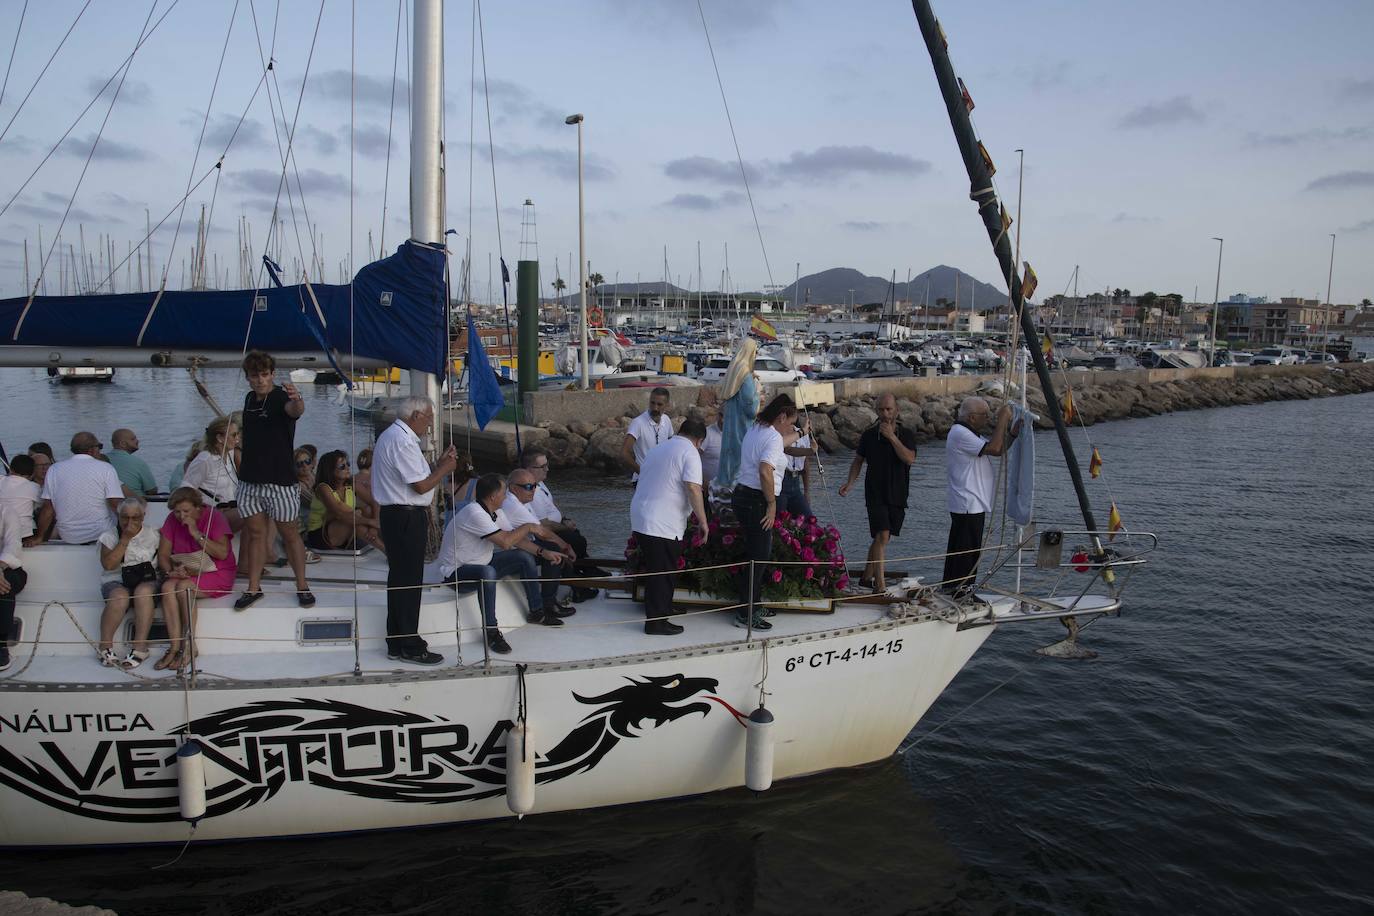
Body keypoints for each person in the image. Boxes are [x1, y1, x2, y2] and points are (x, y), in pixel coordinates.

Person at [372, 396, 458, 665]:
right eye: (430, 416)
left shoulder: (397, 437)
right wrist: (444, 468)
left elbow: (416, 479)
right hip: (405, 517)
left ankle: (397, 640)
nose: (431, 421)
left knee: (400, 579)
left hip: (398, 515)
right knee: (408, 580)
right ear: (416, 415)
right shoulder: (401, 441)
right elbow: (420, 487)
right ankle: (408, 643)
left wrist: (436, 465)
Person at [436, 474, 561, 656]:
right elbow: (504, 542)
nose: (507, 496)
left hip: (481, 563)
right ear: (493, 496)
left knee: (522, 557)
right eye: (504, 492)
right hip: (455, 572)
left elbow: (515, 541)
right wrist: (528, 527)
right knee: (487, 572)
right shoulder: (475, 513)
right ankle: (491, 632)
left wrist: (543, 553)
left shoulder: (496, 512)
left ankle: (537, 611)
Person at [234, 350, 313, 610]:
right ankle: (253, 588)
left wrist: (297, 398)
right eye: (255, 376)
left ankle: (302, 586)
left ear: (272, 375)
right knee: (256, 534)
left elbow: (294, 411)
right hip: (250, 481)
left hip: (279, 481)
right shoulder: (249, 399)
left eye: (264, 375)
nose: (260, 380)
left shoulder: (280, 398)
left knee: (289, 533)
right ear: (248, 378)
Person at [630, 417, 709, 635]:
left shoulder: (659, 448)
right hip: (662, 521)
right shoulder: (690, 452)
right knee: (662, 571)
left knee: (661, 568)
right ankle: (655, 622)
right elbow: (693, 488)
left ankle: (663, 608)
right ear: (699, 440)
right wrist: (703, 521)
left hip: (642, 515)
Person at [732, 395, 805, 631]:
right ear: (782, 417)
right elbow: (765, 470)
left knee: (755, 553)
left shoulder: (757, 428)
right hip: (757, 500)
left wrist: (801, 433)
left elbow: (780, 443)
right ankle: (745, 613)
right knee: (759, 557)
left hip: (742, 495)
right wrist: (772, 504)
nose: (790, 428)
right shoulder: (773, 437)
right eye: (790, 423)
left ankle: (753, 604)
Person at [839, 393, 917, 592]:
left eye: (889, 409)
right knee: (882, 535)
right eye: (881, 409)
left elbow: (909, 458)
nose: (885, 413)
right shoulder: (869, 435)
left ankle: (866, 578)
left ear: (896, 410)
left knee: (883, 538)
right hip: (875, 492)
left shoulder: (906, 434)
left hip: (898, 492)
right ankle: (880, 586)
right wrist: (849, 483)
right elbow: (858, 460)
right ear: (876, 411)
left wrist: (892, 437)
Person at [944, 397, 1018, 598]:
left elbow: (999, 448)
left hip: (972, 502)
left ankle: (953, 587)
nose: (988, 418)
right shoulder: (960, 434)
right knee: (967, 551)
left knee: (964, 548)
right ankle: (961, 591)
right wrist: (1003, 419)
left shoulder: (968, 433)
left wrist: (1012, 433)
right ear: (972, 417)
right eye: (985, 415)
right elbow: (993, 449)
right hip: (968, 501)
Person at [157, 488, 237, 671]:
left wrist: (196, 532)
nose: (181, 516)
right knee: (168, 587)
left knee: (184, 587)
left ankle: (190, 645)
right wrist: (171, 571)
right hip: (190, 570)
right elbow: (163, 554)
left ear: (198, 507)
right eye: (177, 512)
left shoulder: (214, 517)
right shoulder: (171, 520)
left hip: (218, 571)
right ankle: (175, 647)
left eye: (186, 511)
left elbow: (222, 553)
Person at [519, 448, 598, 601]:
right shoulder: (530, 491)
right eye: (542, 466)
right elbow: (542, 525)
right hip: (539, 535)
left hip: (550, 528)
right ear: (529, 469)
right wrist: (564, 529)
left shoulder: (540, 484)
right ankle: (576, 584)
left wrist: (564, 520)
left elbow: (552, 507)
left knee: (574, 537)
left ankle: (587, 571)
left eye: (547, 465)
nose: (547, 469)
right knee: (572, 542)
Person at [502, 468, 578, 617]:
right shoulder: (514, 505)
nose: (534, 490)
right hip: (509, 551)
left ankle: (573, 587)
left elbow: (540, 530)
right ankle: (549, 604)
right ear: (513, 488)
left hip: (520, 544)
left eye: (535, 485)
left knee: (559, 544)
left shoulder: (523, 500)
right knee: (554, 550)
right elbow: (542, 533)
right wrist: (565, 547)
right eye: (529, 487)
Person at [95, 497, 161, 670]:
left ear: (143, 516)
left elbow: (163, 561)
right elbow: (109, 565)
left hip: (147, 581)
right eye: (125, 517)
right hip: (116, 580)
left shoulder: (154, 534)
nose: (130, 522)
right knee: (119, 596)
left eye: (135, 517)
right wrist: (124, 539)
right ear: (118, 516)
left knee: (143, 592)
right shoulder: (109, 536)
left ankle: (140, 647)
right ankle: (105, 646)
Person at [31, 432, 123, 545]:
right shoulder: (106, 468)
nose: (100, 450)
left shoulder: (55, 469)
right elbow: (114, 504)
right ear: (91, 450)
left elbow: (48, 509)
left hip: (68, 535)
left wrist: (40, 537)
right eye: (99, 446)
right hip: (101, 533)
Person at [306, 450, 384, 553]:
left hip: (342, 529)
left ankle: (391, 545)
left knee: (368, 511)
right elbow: (340, 514)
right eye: (342, 466)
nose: (347, 468)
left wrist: (373, 527)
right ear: (330, 470)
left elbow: (375, 502)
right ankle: (387, 552)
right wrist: (371, 522)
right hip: (320, 535)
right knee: (351, 519)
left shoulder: (351, 484)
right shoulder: (323, 488)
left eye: (348, 464)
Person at [182, 416, 242, 532]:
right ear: (219, 438)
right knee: (252, 511)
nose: (238, 439)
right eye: (234, 435)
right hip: (212, 514)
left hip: (231, 509)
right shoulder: (205, 459)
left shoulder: (230, 453)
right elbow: (186, 491)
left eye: (238, 434)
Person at [714, 338, 759, 490]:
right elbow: (751, 408)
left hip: (730, 423)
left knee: (729, 453)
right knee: (740, 457)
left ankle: (724, 482)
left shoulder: (733, 368)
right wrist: (757, 391)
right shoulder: (745, 373)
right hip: (742, 424)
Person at [620, 387, 674, 480]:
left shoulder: (666, 420)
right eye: (652, 403)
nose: (655, 407)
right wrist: (642, 472)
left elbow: (671, 447)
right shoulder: (638, 423)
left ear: (667, 405)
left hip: (662, 478)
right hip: (642, 479)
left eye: (659, 404)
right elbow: (624, 453)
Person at [0, 503, 26, 671]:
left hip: (7, 569)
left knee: (5, 585)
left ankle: (1, 644)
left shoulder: (6, 511)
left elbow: (13, 544)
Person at [107, 428, 159, 497]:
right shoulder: (138, 462)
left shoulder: (101, 459)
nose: (137, 441)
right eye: (133, 439)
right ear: (123, 444)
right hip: (135, 503)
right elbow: (152, 491)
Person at [779, 423, 815, 519]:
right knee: (779, 520)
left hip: (795, 483)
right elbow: (787, 449)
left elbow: (805, 463)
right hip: (781, 481)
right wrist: (810, 451)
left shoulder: (804, 434)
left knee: (809, 519)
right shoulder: (777, 432)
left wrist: (807, 491)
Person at [0, 455, 41, 539]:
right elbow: (41, 505)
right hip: (23, 534)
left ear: (11, 469)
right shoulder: (34, 487)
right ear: (33, 473)